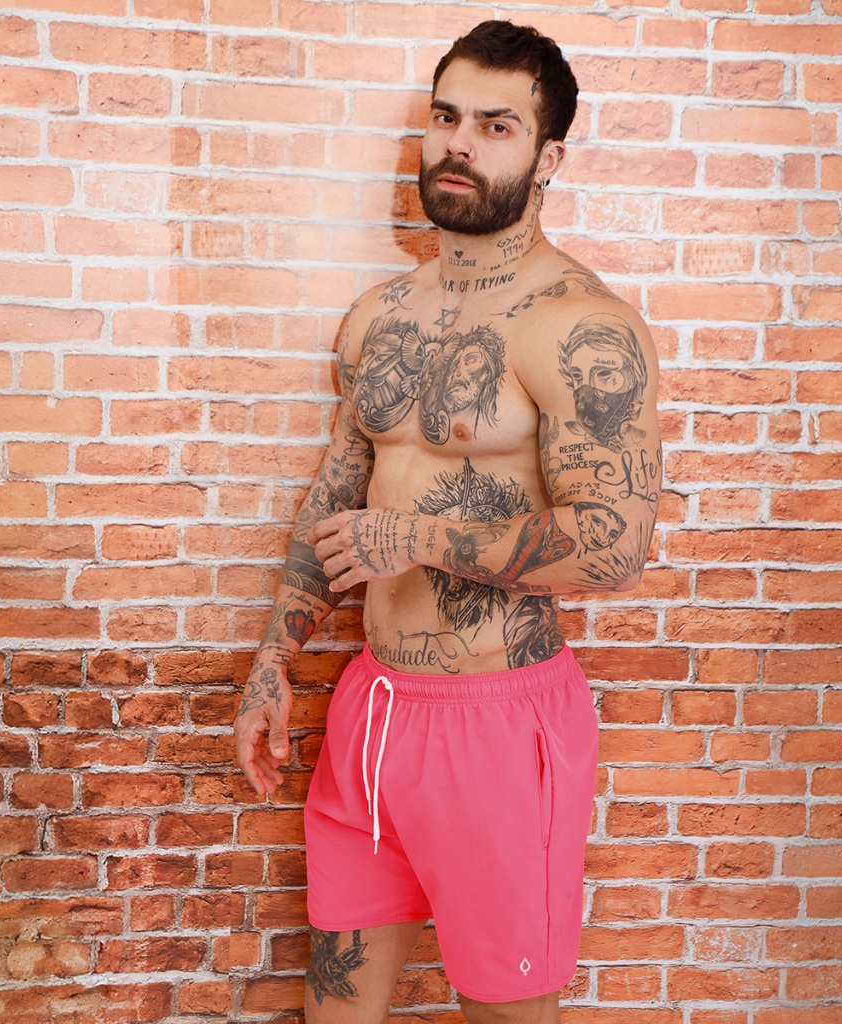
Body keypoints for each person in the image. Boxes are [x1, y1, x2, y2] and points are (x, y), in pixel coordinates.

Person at [234, 20, 662, 1024]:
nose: (459, 144)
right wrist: (272, 659)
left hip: (499, 726)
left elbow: (616, 544)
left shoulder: (579, 323)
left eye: (496, 126)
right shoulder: (378, 316)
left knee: (505, 1011)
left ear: (548, 157)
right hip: (372, 709)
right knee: (337, 1003)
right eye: (446, 117)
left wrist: (420, 538)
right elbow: (337, 492)